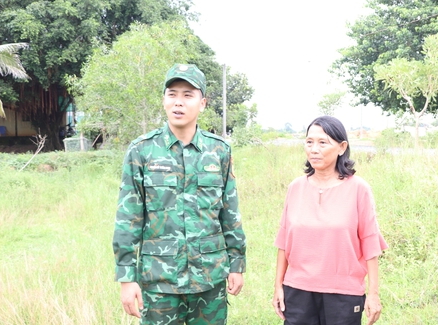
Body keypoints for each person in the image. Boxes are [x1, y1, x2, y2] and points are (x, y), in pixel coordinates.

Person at [112, 64, 246, 325]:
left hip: (209, 277)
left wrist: (236, 263)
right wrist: (127, 278)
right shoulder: (142, 151)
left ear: (203, 103)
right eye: (172, 94)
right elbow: (128, 218)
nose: (178, 103)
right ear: (164, 100)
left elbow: (230, 212)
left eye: (188, 95)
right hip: (159, 281)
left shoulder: (219, 151)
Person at [272, 116, 388, 325]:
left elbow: (370, 243)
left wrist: (374, 294)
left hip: (344, 294)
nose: (314, 149)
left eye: (322, 142)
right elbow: (284, 242)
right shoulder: (295, 188)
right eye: (309, 142)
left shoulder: (358, 189)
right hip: (298, 291)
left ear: (342, 147)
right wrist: (278, 285)